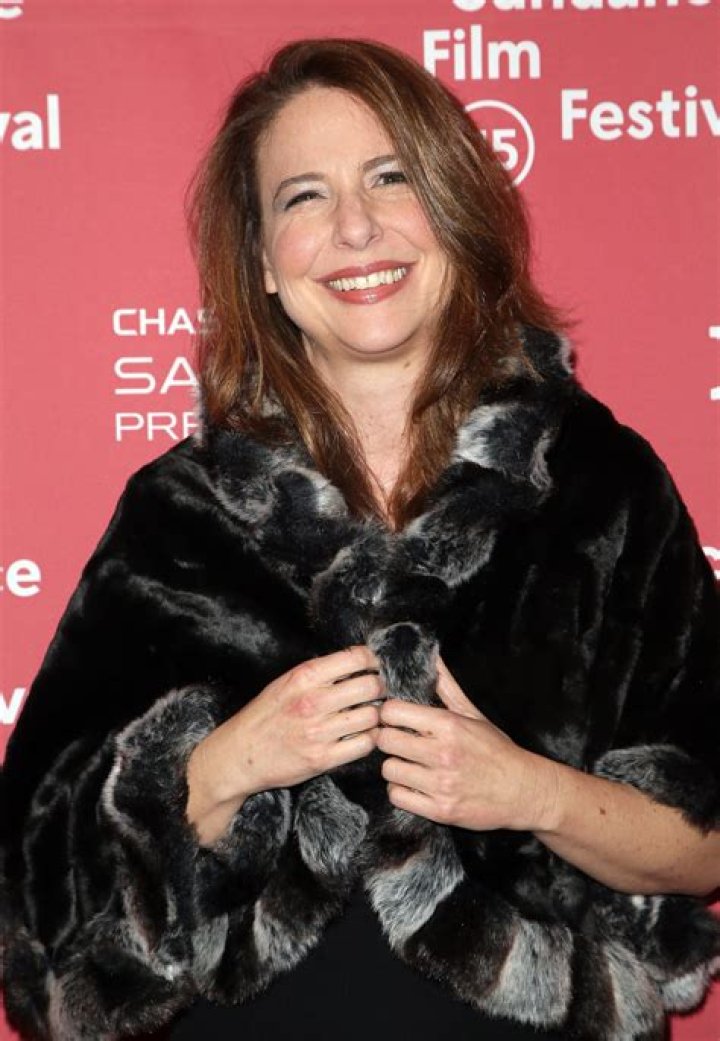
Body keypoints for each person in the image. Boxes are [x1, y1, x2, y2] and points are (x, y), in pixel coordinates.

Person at [2, 37, 718, 1041]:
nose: (354, 227)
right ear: (263, 262)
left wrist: (530, 791)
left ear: (457, 210)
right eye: (304, 196)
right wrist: (224, 766)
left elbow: (706, 839)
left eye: (391, 178)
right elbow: (35, 909)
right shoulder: (180, 517)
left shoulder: (599, 487)